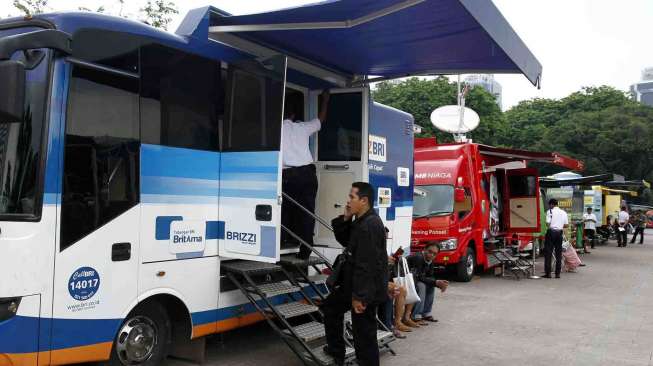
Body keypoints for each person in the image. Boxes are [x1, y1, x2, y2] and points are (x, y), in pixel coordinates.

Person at [323, 182, 387, 366]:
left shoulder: (370, 225)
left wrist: (360, 297)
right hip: (353, 284)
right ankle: (337, 352)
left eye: (352, 197)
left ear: (364, 200)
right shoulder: (360, 220)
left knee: (364, 334)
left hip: (364, 289)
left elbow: (366, 266)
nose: (348, 201)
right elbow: (345, 240)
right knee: (331, 308)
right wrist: (346, 217)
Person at [281, 90, 330, 259]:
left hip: (288, 175)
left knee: (284, 210)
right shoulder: (301, 127)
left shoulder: (275, 131)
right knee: (307, 212)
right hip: (308, 174)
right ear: (293, 114)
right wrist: (325, 100)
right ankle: (306, 249)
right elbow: (320, 120)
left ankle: (282, 241)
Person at [406, 243, 449, 324]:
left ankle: (426, 313)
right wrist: (436, 282)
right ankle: (416, 315)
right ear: (424, 249)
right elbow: (418, 276)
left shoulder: (430, 260)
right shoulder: (418, 257)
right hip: (405, 279)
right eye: (430, 251)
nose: (431, 255)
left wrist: (440, 284)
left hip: (415, 279)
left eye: (434, 254)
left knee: (430, 285)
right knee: (422, 286)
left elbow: (430, 276)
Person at [544, 199, 568, 279]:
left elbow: (547, 224)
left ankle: (548, 274)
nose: (549, 206)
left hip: (551, 233)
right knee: (558, 254)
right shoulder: (563, 212)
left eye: (549, 205)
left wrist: (553, 223)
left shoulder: (550, 211)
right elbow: (566, 225)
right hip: (559, 233)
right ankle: (557, 274)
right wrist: (559, 225)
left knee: (548, 253)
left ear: (551, 204)